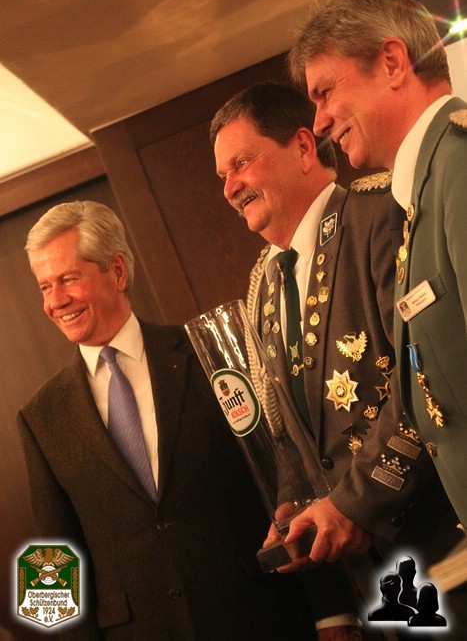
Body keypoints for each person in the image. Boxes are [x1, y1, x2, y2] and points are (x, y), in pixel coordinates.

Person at [210, 81, 467, 639]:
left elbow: (423, 373)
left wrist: (352, 504)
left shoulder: (379, 217)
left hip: (449, 548)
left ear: (304, 147)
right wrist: (294, 507)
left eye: (242, 163)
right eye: (223, 176)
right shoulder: (264, 285)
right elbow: (288, 432)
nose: (230, 188)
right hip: (380, 582)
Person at [17, 200, 323, 640]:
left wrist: (332, 610)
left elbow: (286, 481)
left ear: (117, 271)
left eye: (68, 279)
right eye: (45, 287)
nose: (55, 301)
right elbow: (53, 556)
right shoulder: (40, 417)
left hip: (260, 618)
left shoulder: (208, 354)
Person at [287, 0, 467, 533]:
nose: (319, 122)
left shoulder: (459, 165)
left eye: (325, 91)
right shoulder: (421, 191)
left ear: (392, 63)